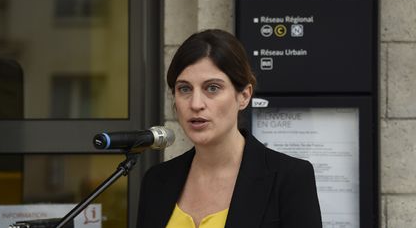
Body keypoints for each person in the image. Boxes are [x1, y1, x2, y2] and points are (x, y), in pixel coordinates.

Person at [136, 29, 322, 228]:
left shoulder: (289, 177)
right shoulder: (156, 181)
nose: (196, 103)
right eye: (185, 89)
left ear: (244, 96)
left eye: (212, 88)